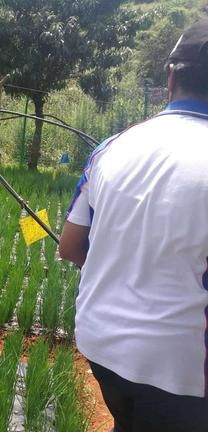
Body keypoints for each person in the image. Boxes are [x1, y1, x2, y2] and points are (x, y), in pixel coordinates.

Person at [59, 19, 208, 432]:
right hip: (184, 374)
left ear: (171, 77)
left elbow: (70, 248)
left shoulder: (112, 146)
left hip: (101, 345)